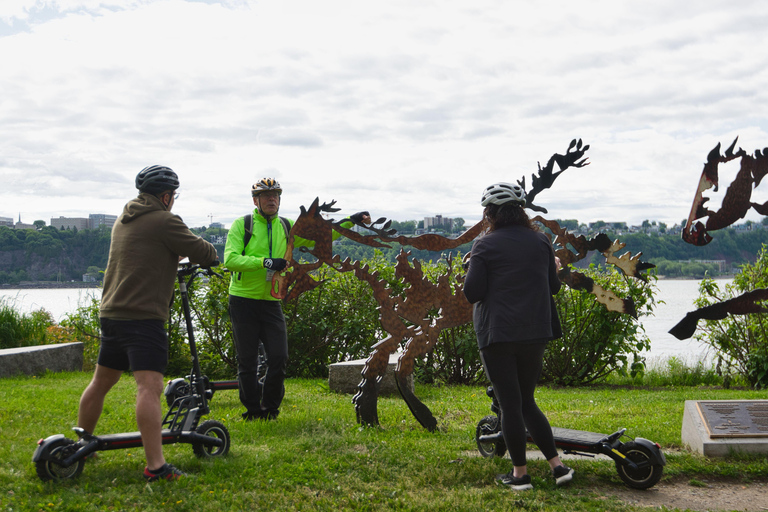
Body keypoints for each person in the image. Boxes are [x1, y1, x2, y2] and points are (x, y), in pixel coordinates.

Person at [77, 165, 218, 482]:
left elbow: (145, 252)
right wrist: (201, 254)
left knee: (101, 382)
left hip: (112, 314)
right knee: (151, 387)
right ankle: (156, 467)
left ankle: (83, 441)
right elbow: (205, 253)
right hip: (142, 318)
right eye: (174, 196)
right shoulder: (166, 220)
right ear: (166, 196)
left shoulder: (125, 218)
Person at [224, 178, 369, 421]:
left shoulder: (285, 226)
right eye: (266, 196)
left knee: (279, 357)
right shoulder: (243, 225)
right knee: (247, 361)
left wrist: (351, 221)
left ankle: (270, 409)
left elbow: (320, 236)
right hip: (243, 300)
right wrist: (265, 262)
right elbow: (230, 260)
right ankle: (253, 411)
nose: (272, 199)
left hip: (272, 301)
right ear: (255, 201)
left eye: (275, 195)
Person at [463, 182, 574, 491]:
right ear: (521, 212)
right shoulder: (541, 242)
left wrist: (472, 265)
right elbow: (553, 287)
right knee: (527, 401)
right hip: (535, 333)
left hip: (497, 335)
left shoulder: (483, 246)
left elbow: (473, 293)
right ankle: (558, 467)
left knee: (510, 404)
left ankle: (520, 475)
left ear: (490, 214)